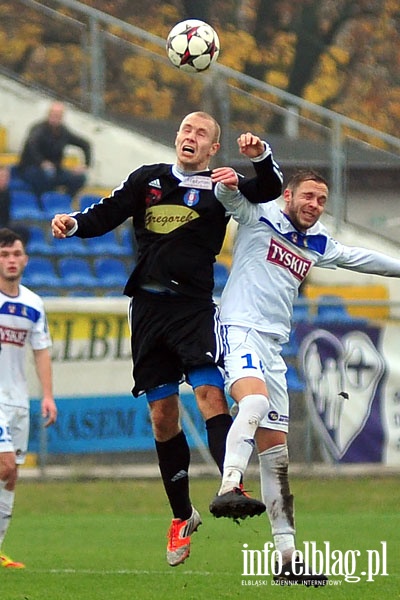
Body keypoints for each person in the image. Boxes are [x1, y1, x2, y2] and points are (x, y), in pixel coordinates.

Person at [50, 112, 283, 567]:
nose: (191, 138)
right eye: (186, 131)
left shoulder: (221, 186)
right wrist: (73, 224)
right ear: (176, 138)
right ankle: (182, 516)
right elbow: (106, 213)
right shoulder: (147, 180)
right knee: (162, 416)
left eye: (201, 134)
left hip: (193, 310)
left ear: (214, 148)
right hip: (149, 312)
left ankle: (231, 483)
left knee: (211, 395)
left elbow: (269, 189)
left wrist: (261, 158)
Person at [209, 155, 400, 586]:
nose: (315, 204)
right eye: (309, 196)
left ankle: (288, 559)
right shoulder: (261, 214)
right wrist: (232, 179)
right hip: (239, 329)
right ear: (288, 195)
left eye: (322, 199)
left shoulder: (316, 243)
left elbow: (362, 258)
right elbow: (228, 197)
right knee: (253, 400)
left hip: (273, 348)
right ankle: (229, 485)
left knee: (277, 457)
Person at [0, 228, 57, 568]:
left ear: (25, 259)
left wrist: (47, 395)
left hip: (17, 401)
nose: (11, 260)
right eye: (4, 255)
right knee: (4, 464)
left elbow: (41, 351)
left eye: (16, 254)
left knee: (10, 476)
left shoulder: (33, 304)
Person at [18, 101, 91, 200]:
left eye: (59, 115)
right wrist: (42, 162)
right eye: (54, 114)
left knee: (79, 178)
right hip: (32, 168)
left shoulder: (63, 132)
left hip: (56, 169)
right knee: (45, 175)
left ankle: (64, 201)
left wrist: (85, 164)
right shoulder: (38, 129)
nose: (56, 117)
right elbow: (32, 147)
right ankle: (42, 202)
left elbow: (85, 144)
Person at [0, 166, 29, 244]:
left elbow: (6, 215)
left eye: (7, 177)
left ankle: (18, 252)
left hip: (4, 223)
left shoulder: (6, 193)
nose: (5, 180)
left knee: (23, 230)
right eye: (2, 177)